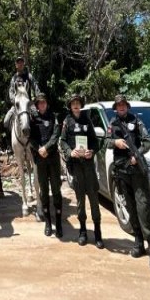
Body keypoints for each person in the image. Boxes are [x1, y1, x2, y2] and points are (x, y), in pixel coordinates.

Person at [107, 95, 150, 271]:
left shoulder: (136, 121)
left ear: (127, 107)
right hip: (122, 171)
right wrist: (116, 142)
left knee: (143, 207)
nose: (121, 108)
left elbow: (147, 142)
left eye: (123, 105)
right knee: (130, 207)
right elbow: (106, 142)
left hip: (137, 171)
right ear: (116, 108)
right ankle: (138, 242)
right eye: (118, 106)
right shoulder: (112, 124)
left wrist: (136, 154)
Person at [59, 94, 103, 248]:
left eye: (78, 103)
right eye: (73, 103)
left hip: (89, 166)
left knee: (94, 199)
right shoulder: (67, 121)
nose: (76, 105)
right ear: (70, 106)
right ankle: (83, 231)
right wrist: (69, 152)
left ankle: (98, 233)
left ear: (81, 105)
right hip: (76, 166)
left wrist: (92, 151)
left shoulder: (87, 119)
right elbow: (62, 140)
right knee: (80, 200)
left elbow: (95, 142)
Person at [29, 93, 63, 238]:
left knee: (56, 190)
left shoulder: (53, 117)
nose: (42, 105)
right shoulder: (32, 119)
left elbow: (56, 135)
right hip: (40, 160)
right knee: (43, 191)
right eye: (39, 103)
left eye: (44, 102)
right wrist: (38, 149)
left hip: (53, 158)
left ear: (46, 104)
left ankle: (59, 223)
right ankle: (48, 223)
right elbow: (30, 137)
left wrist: (46, 148)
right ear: (36, 105)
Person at [4, 56, 40, 130]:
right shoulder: (13, 78)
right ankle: (9, 140)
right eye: (18, 63)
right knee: (6, 121)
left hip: (28, 103)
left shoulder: (29, 76)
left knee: (37, 117)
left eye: (21, 62)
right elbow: (11, 91)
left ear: (24, 64)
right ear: (16, 65)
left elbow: (36, 88)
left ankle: (36, 139)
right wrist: (14, 101)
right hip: (17, 104)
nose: (20, 64)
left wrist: (38, 100)